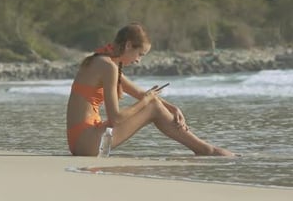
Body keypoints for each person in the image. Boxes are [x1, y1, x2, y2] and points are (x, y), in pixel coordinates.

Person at [66, 23, 234, 157]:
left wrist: (173, 108)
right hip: (87, 143)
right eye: (140, 54)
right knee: (152, 106)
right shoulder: (108, 66)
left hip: (81, 141)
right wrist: (147, 100)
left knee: (153, 104)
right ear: (129, 45)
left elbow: (139, 93)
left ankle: (204, 148)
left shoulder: (103, 61)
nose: (139, 60)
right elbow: (116, 118)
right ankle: (205, 149)